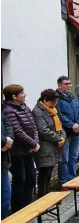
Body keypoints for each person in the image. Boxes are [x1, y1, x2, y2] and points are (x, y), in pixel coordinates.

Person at [2, 84, 39, 213]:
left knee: (31, 178)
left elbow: (33, 126)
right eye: (22, 93)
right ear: (13, 96)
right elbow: (17, 131)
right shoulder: (7, 110)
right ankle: (18, 210)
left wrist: (35, 143)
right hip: (17, 152)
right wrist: (33, 144)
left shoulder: (24, 107)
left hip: (28, 150)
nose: (24, 95)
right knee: (20, 180)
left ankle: (27, 206)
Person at [32, 89, 66, 197]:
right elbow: (43, 130)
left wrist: (63, 136)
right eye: (53, 101)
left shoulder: (52, 110)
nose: (55, 104)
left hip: (54, 145)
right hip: (45, 146)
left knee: (50, 170)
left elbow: (60, 126)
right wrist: (58, 138)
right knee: (44, 171)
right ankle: (42, 194)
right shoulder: (38, 112)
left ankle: (47, 192)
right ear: (46, 100)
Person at [55, 76, 79, 188]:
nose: (68, 86)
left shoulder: (73, 97)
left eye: (69, 83)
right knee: (64, 159)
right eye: (66, 84)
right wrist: (72, 125)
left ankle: (72, 179)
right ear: (59, 85)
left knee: (73, 157)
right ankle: (64, 182)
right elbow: (59, 115)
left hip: (76, 132)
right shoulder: (57, 98)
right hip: (65, 132)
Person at [1, 114, 13, 220]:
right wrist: (4, 141)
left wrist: (9, 140)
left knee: (5, 195)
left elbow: (8, 125)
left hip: (3, 162)